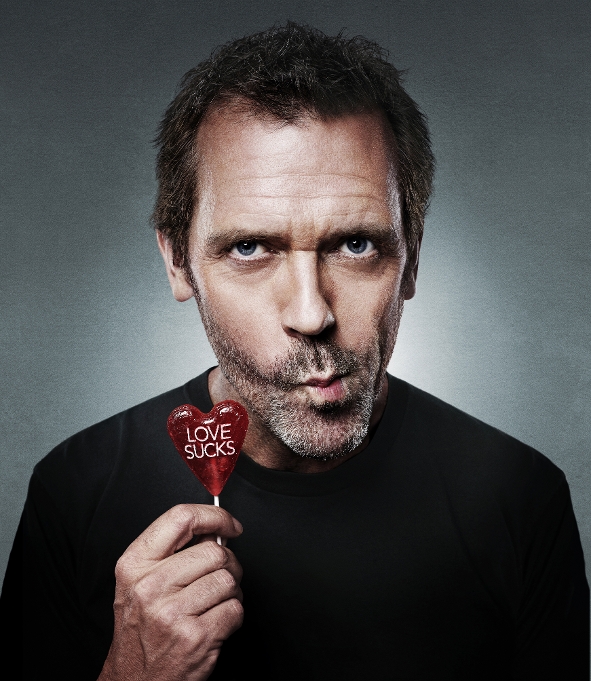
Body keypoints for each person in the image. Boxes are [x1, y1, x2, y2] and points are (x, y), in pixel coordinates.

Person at [1, 22, 588, 681]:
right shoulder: (75, 491)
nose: (311, 313)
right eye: (250, 247)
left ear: (412, 257)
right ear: (177, 261)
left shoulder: (519, 497)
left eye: (356, 245)